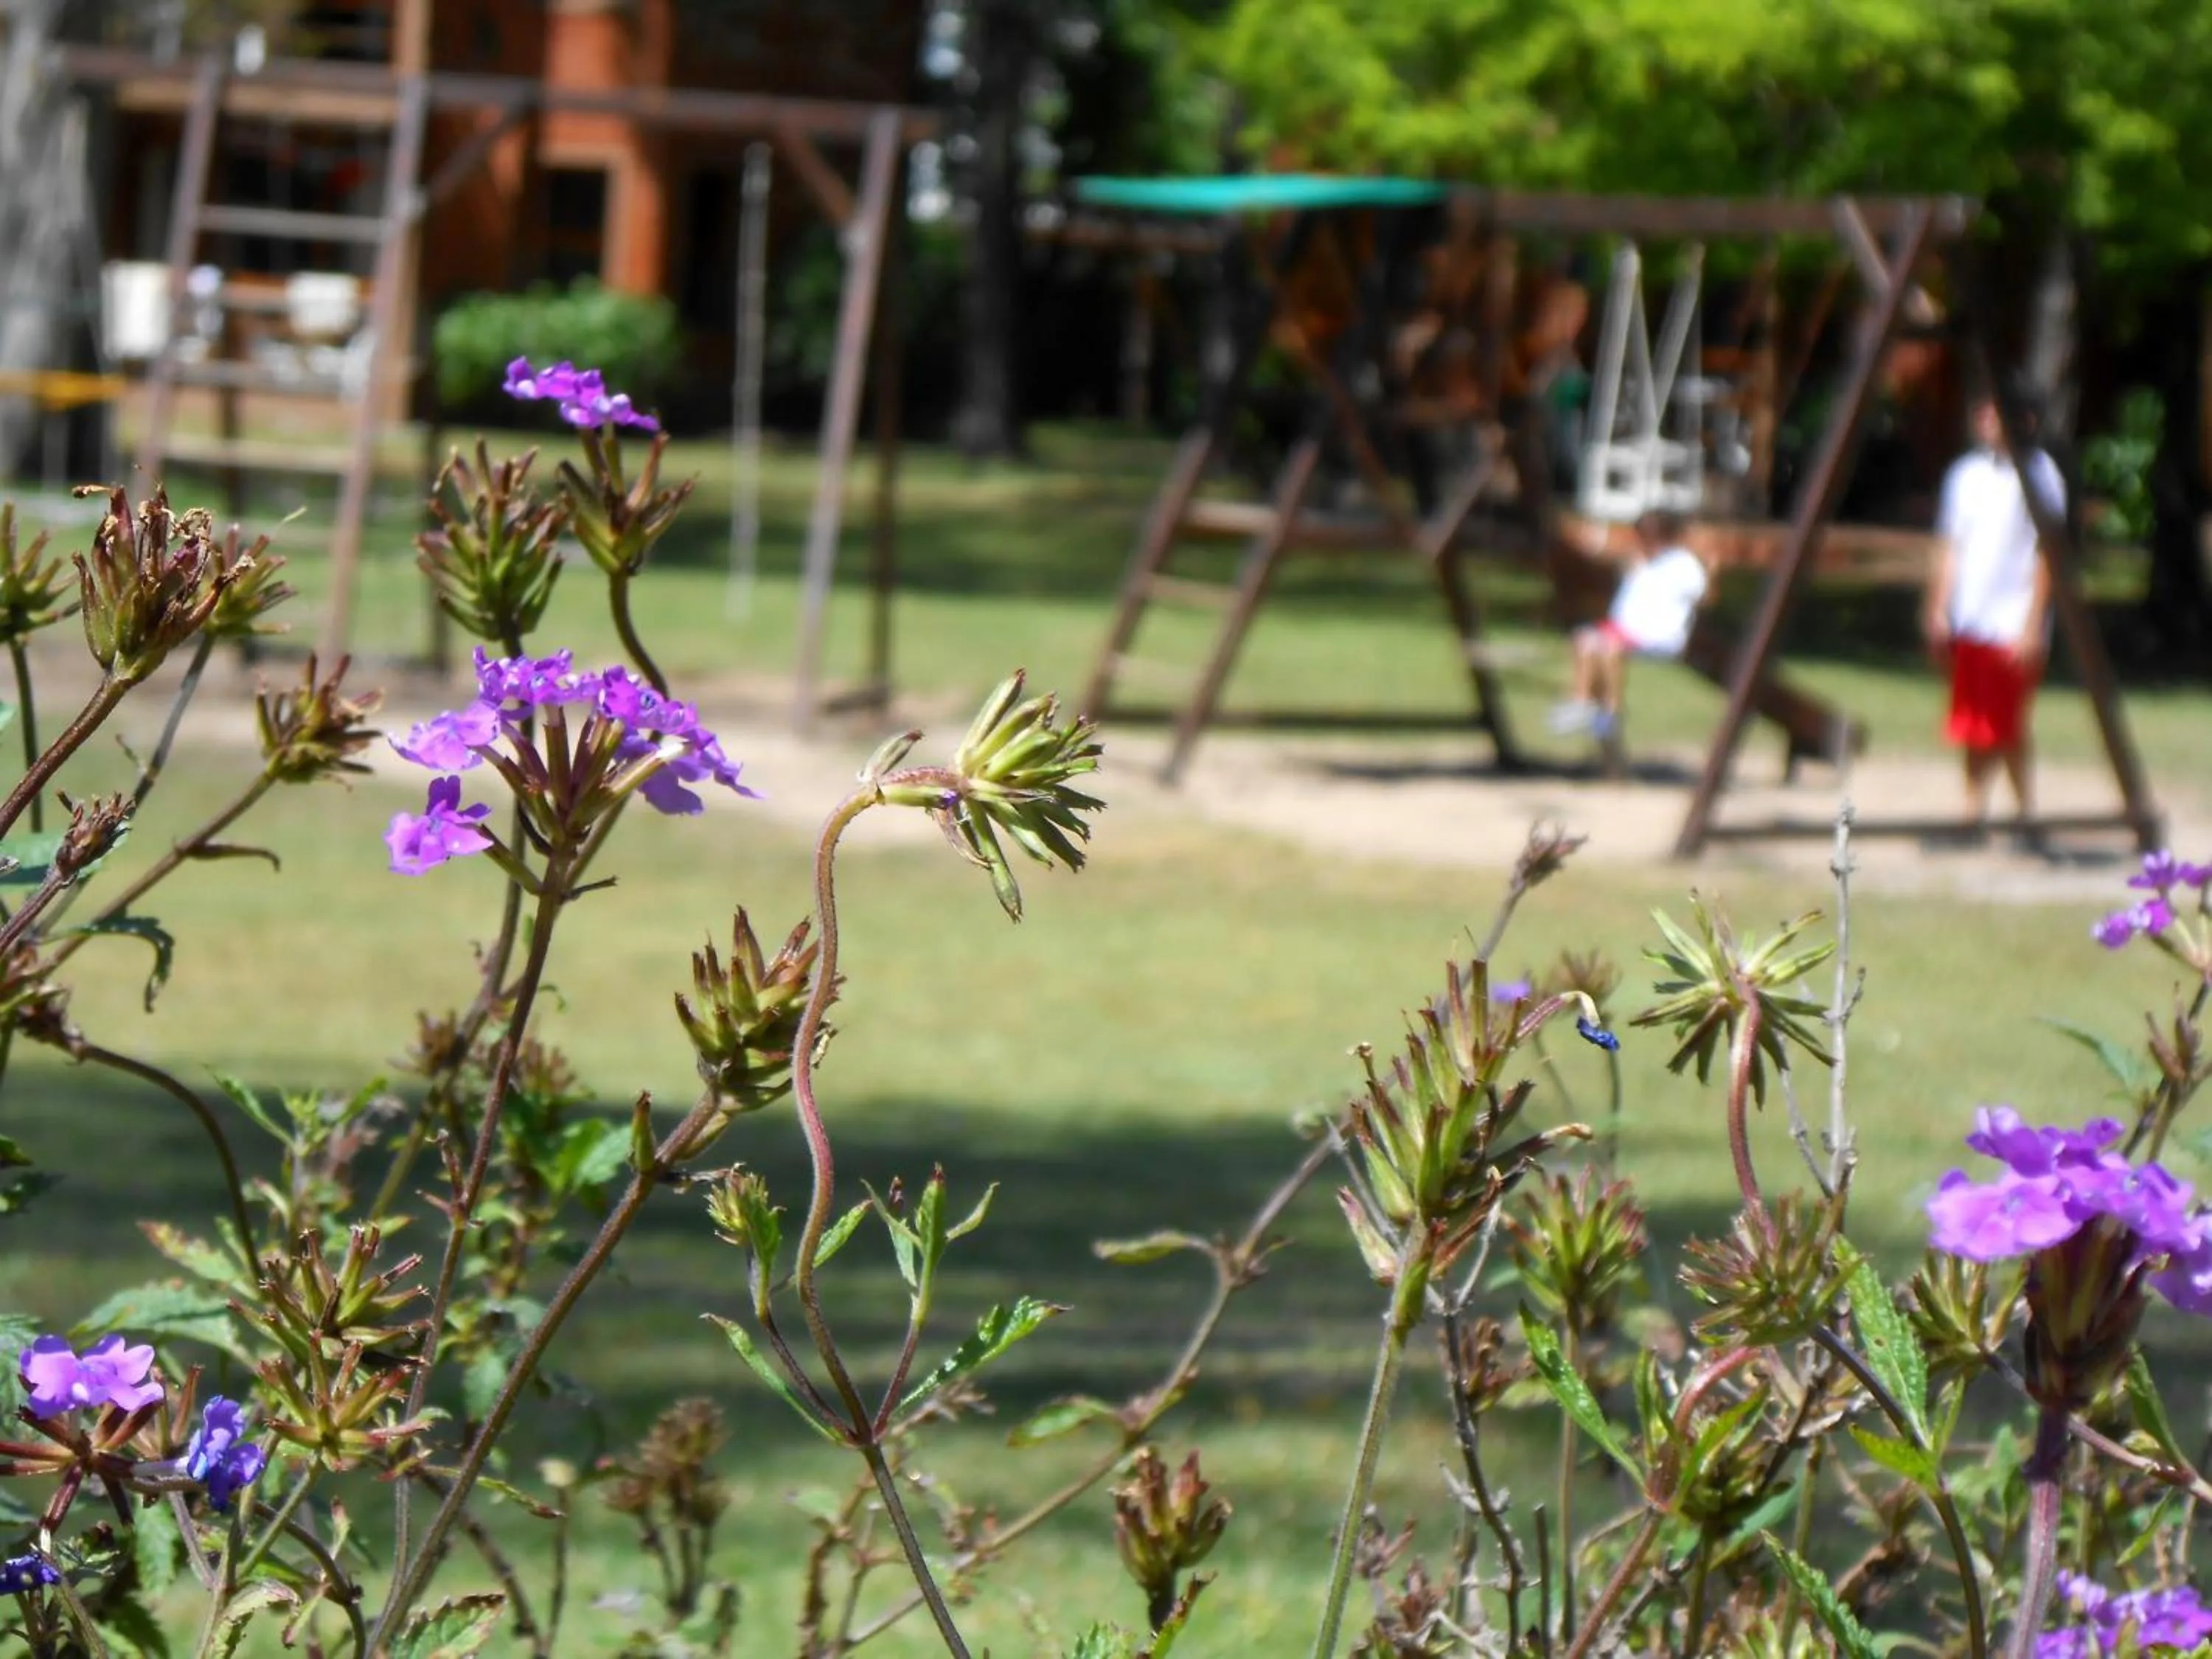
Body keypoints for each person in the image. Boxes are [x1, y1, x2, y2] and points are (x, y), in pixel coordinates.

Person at [1924, 392, 2064, 840]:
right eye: (1981, 410)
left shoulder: (2041, 473)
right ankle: (1975, 810)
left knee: (2007, 722)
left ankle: (2022, 811)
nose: (1984, 418)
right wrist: (1938, 608)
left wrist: (2032, 625)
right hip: (1972, 616)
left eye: (1994, 411)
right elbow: (1950, 546)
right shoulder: (1966, 474)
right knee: (1974, 721)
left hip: (2012, 618)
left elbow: (2048, 554)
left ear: (2024, 419)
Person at [1550, 508, 1710, 740]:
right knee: (1585, 640)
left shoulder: (1684, 564)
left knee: (1609, 647)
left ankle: (1611, 711)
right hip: (1626, 630)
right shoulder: (1642, 561)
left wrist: (1710, 570)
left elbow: (1703, 597)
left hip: (1657, 635)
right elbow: (1607, 555)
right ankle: (1581, 701)